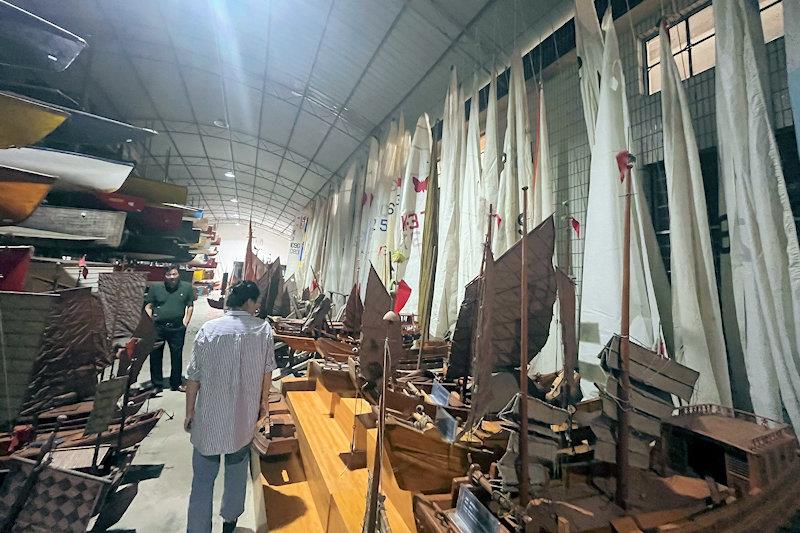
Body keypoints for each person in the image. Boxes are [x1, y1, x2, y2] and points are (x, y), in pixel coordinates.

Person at [184, 281, 275, 533]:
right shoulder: (263, 330)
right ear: (248, 302)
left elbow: (194, 376)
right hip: (242, 418)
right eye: (256, 302)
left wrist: (189, 411)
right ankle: (229, 523)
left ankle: (198, 529)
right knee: (236, 475)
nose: (257, 307)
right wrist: (263, 406)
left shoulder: (208, 330)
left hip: (209, 417)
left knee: (202, 480)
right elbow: (267, 372)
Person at [145, 266, 195, 392]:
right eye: (169, 275)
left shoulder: (187, 287)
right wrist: (149, 323)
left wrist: (186, 322)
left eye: (174, 274)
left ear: (178, 274)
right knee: (155, 356)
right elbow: (149, 306)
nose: (172, 277)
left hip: (177, 328)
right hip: (158, 328)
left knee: (176, 356)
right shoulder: (156, 288)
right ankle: (157, 385)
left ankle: (176, 383)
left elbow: (190, 305)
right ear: (164, 276)